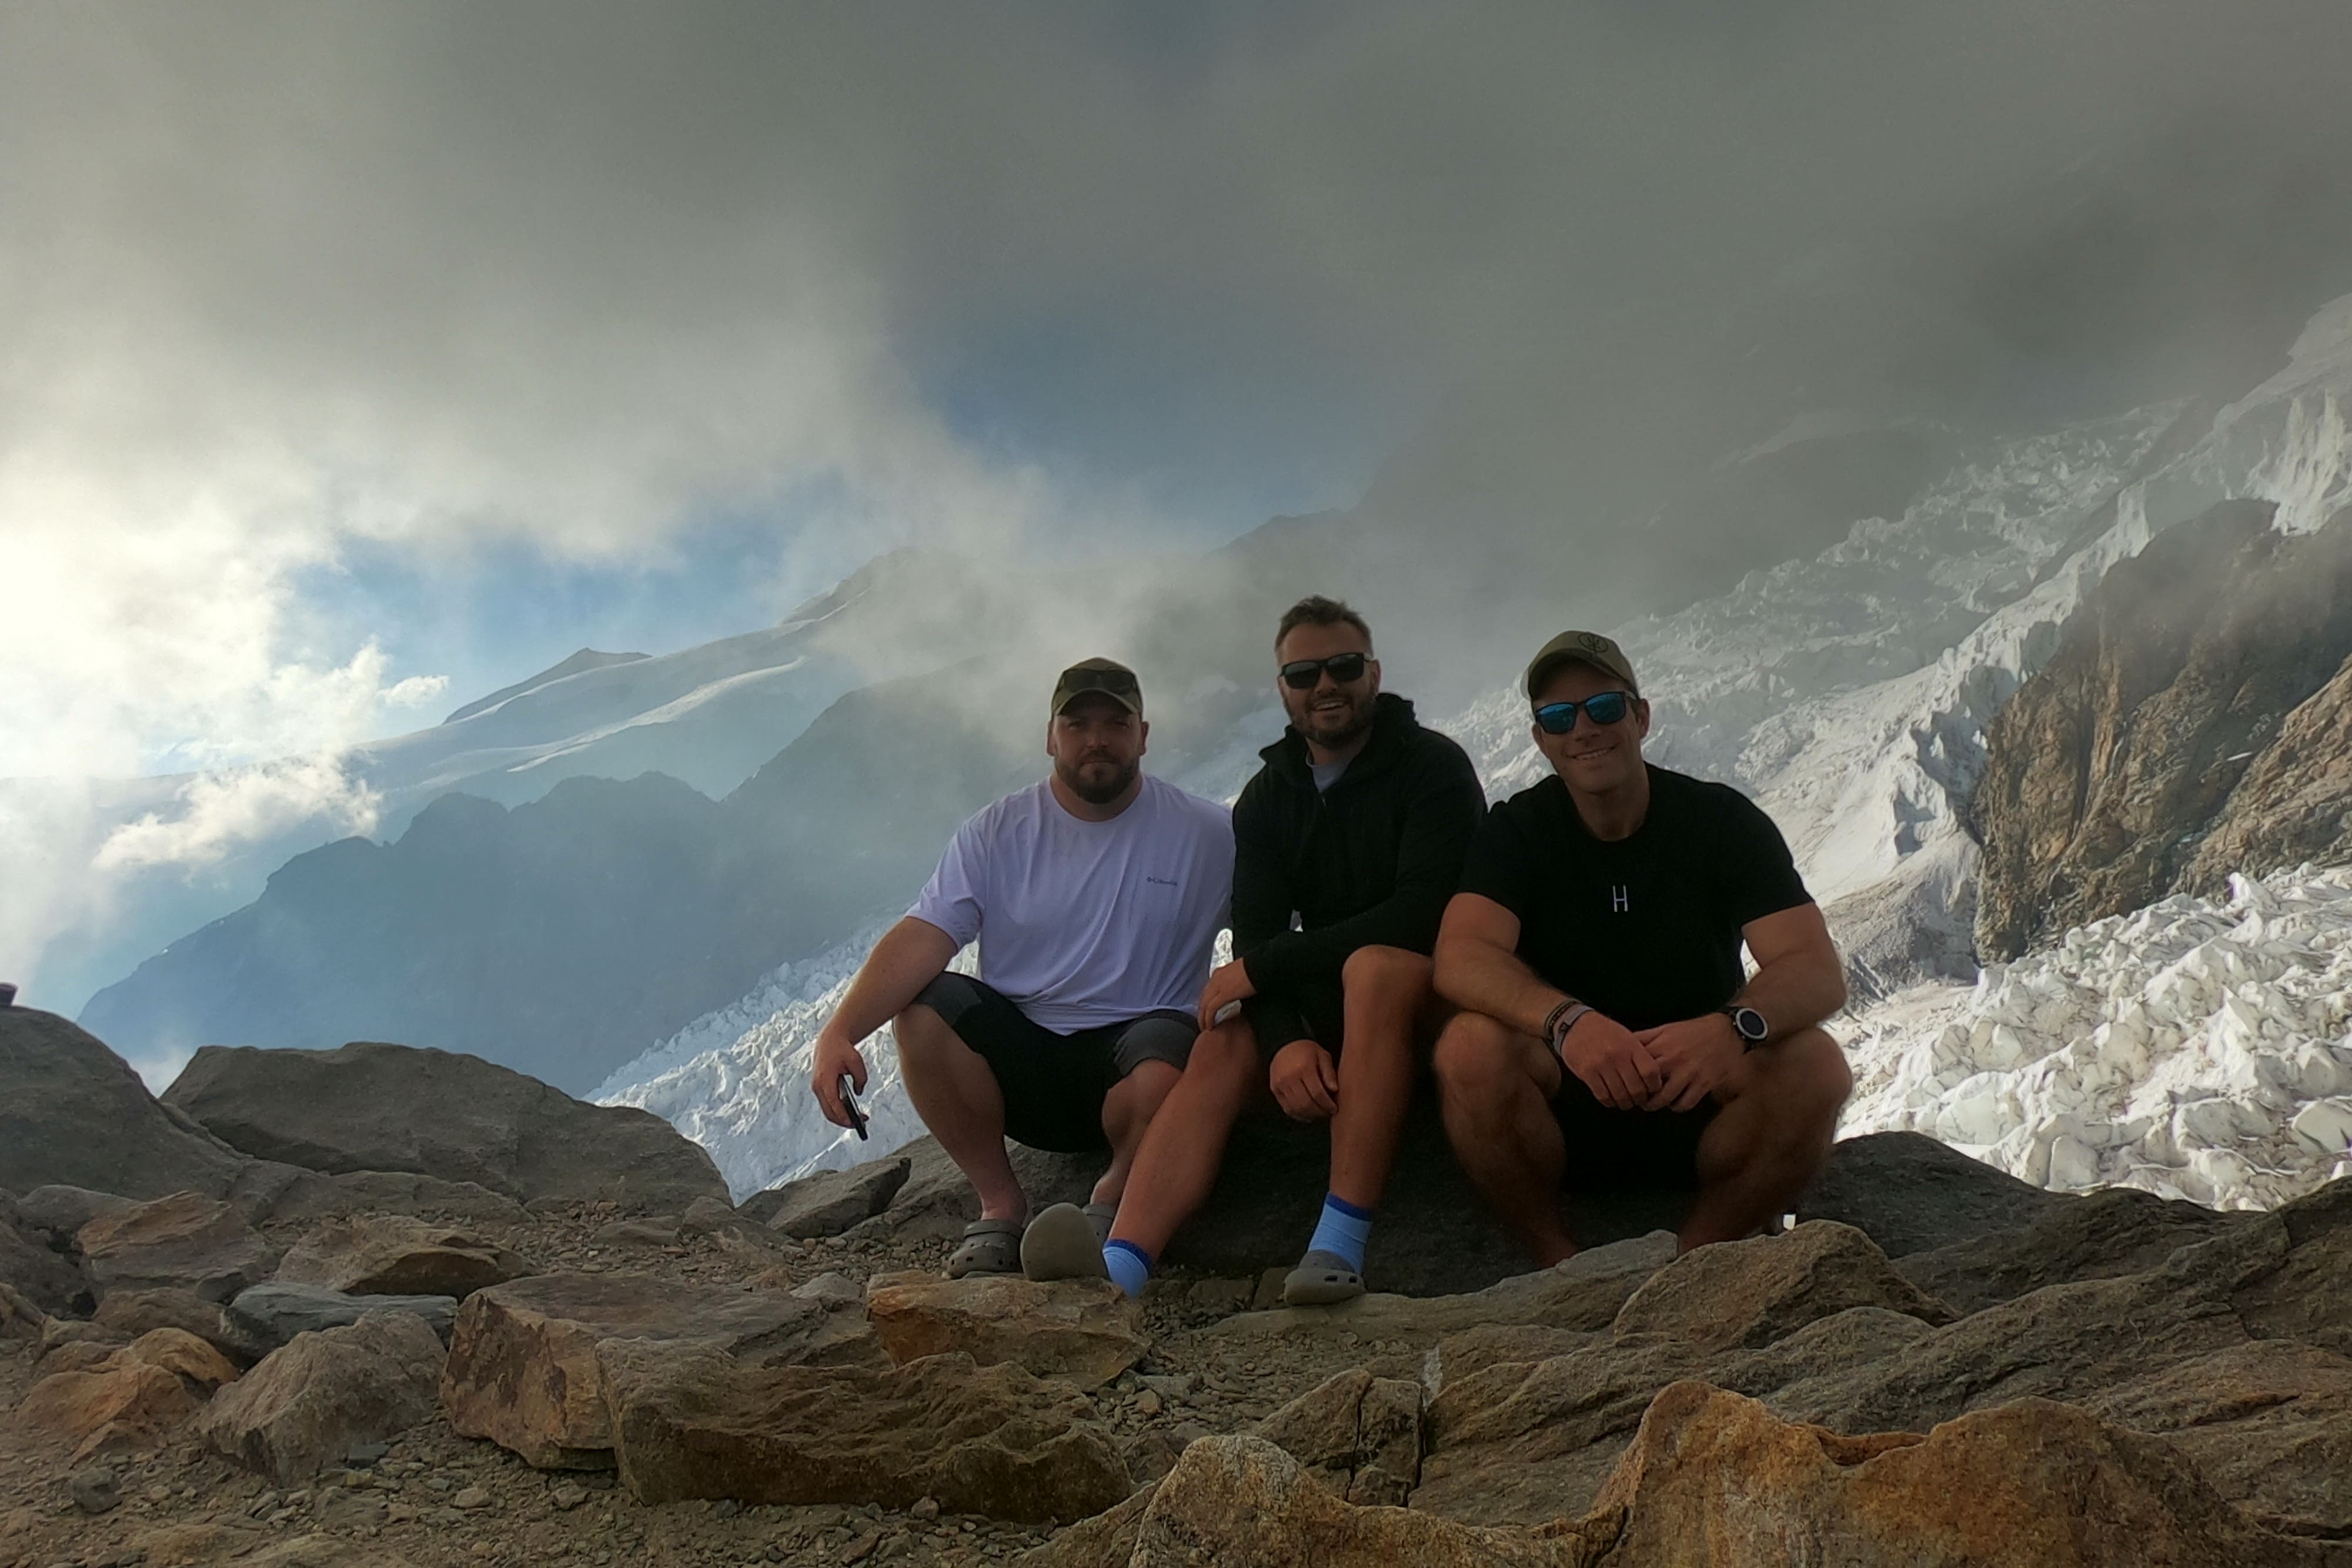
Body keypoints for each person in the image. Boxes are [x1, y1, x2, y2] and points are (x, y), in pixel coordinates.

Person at [1023, 596, 1486, 1303]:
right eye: (1304, 673)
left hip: (1431, 1004)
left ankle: (1338, 1243)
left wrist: (1266, 970)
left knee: (1375, 970)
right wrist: (1282, 1042)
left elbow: (1420, 914)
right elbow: (1259, 935)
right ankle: (1120, 1268)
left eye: (1342, 666)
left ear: (1374, 673)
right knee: (1220, 1041)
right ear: (1282, 690)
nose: (1324, 685)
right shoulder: (1270, 797)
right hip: (1332, 1008)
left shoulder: (1432, 768)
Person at [1431, 630, 1853, 1263]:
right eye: (1558, 717)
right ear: (1541, 741)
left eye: (1603, 708)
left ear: (1640, 716)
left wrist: (1731, 1029)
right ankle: (1558, 1264)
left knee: (1818, 1066)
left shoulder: (1719, 823)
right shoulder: (1517, 832)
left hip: (1701, 1099)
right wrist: (1566, 1023)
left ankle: (1695, 1261)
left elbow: (1814, 968)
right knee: (1468, 1050)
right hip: (1565, 1104)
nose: (1584, 730)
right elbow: (1461, 955)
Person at [808, 657, 1235, 1278]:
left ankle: (1113, 1199)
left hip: (1140, 1062)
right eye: (1077, 723)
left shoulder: (1207, 833)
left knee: (1175, 1056)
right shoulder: (998, 831)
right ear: (1050, 736)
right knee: (926, 1015)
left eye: (1116, 723)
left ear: (1144, 735)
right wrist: (839, 1032)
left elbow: (1276, 925)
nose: (1096, 739)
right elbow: (926, 935)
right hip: (1023, 1073)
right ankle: (1001, 1203)